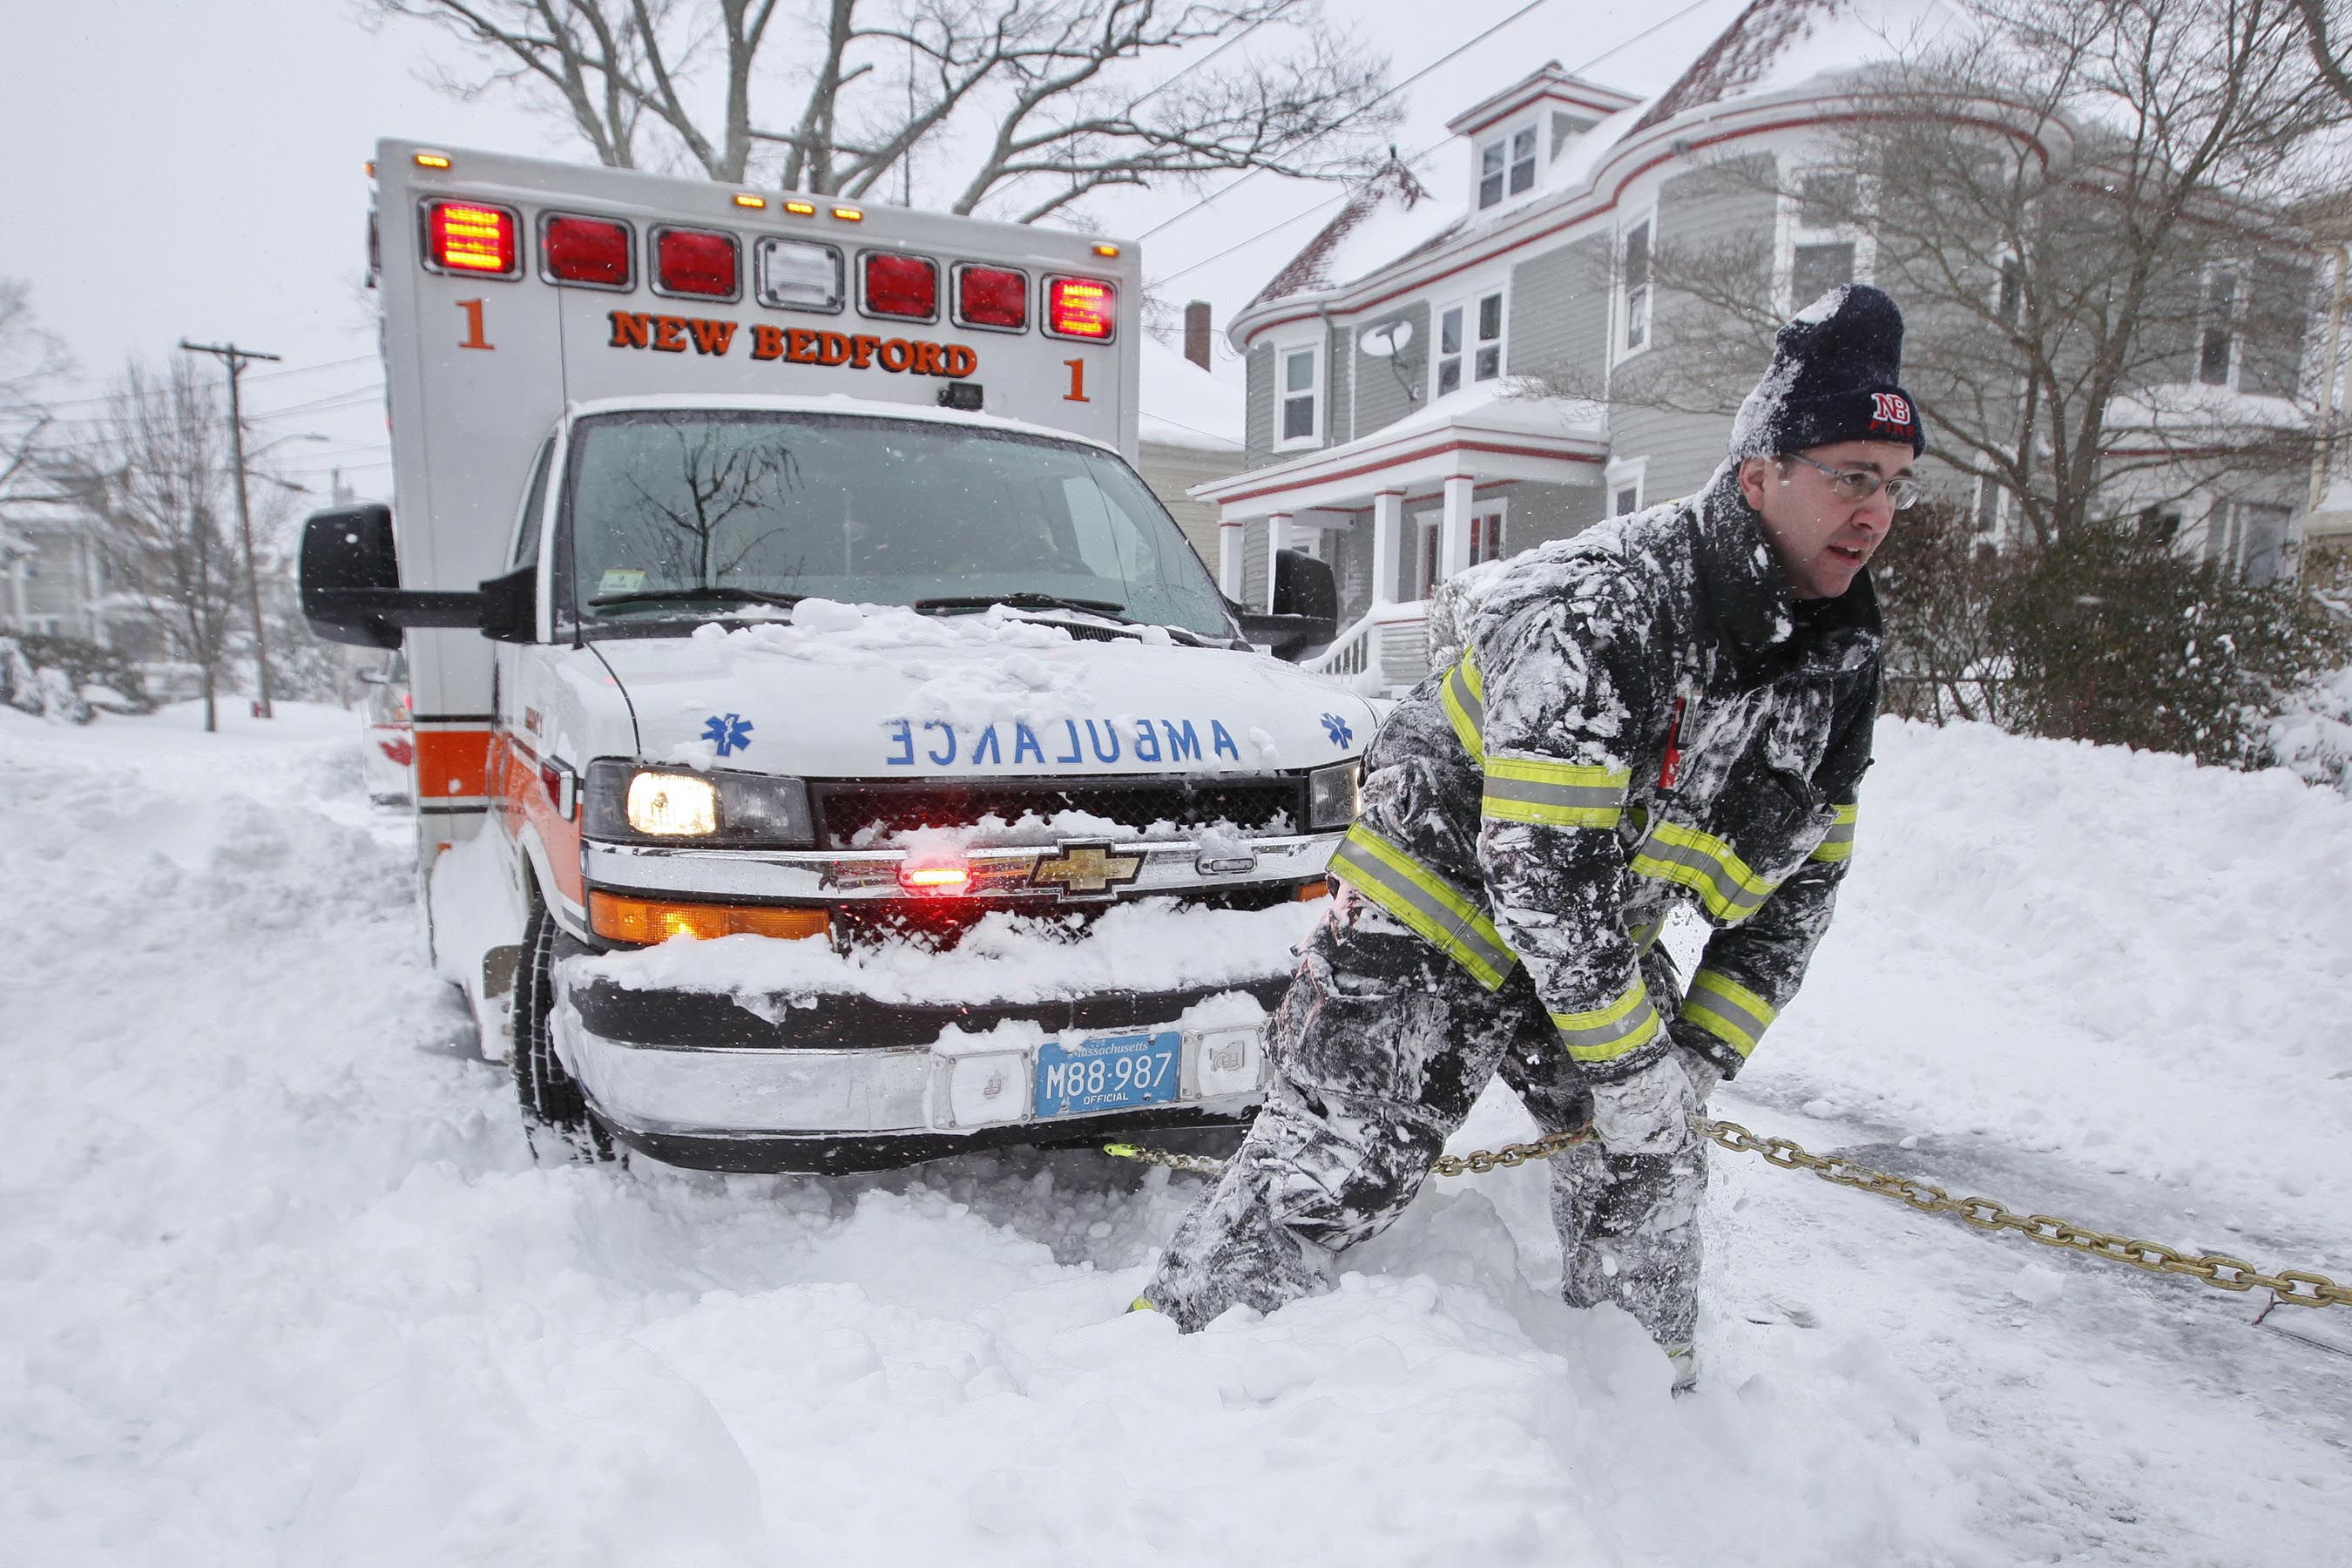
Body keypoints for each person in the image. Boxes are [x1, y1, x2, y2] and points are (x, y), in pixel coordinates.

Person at [1137, 284, 1924, 1390]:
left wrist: (1685, 1070)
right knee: (1337, 1169)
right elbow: (1540, 880)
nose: (1875, 511)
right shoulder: (1607, 606)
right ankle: (1163, 1382)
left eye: (1893, 485)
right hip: (1435, 912)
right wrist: (1631, 1064)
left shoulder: (1841, 659)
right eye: (1850, 475)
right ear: (1760, 476)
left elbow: (1798, 897)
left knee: (1653, 1172)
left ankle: (1647, 1412)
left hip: (1598, 929)